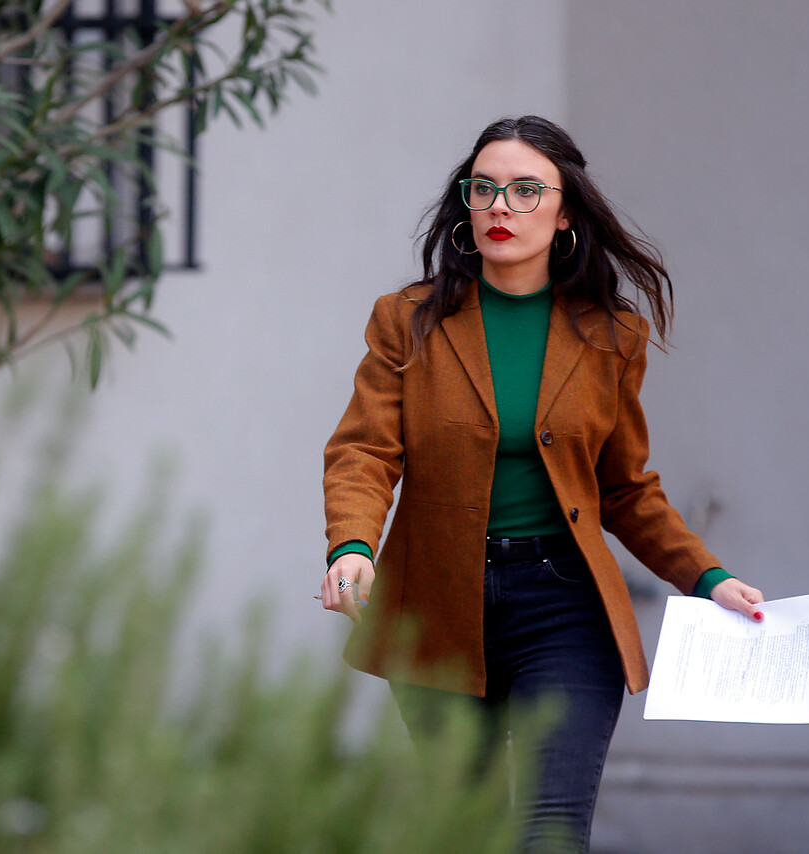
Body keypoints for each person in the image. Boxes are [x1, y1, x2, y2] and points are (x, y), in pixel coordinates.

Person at [318, 115, 764, 853]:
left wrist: (706, 575)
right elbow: (364, 450)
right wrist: (353, 546)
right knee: (467, 831)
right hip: (436, 604)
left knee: (550, 833)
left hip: (566, 606)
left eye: (527, 190)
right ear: (465, 206)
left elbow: (625, 487)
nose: (502, 206)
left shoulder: (610, 334)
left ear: (564, 215)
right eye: (485, 188)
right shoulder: (409, 322)